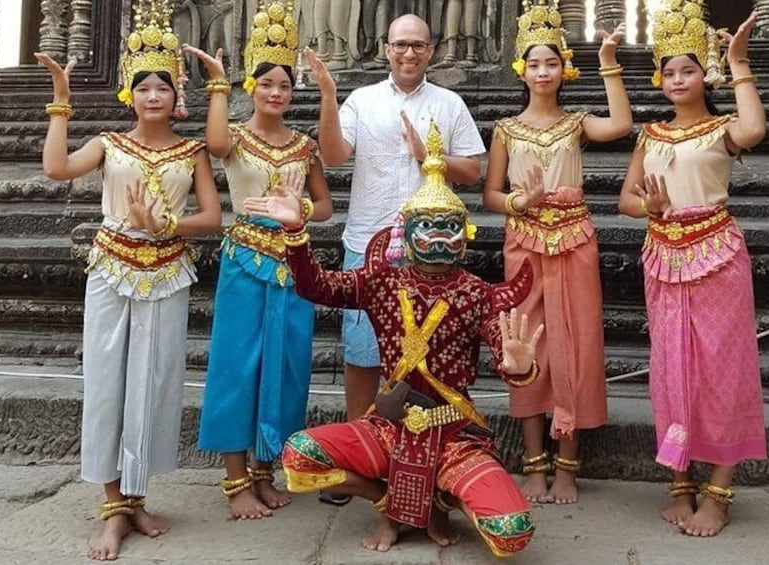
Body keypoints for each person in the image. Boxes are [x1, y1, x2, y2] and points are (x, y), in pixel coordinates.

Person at [245, 121, 542, 557]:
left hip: (454, 435)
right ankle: (390, 505)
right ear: (406, 232)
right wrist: (296, 234)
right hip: (388, 427)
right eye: (428, 226)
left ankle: (438, 503)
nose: (440, 237)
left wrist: (519, 368)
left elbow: (505, 352)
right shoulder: (383, 281)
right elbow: (317, 287)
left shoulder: (477, 293)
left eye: (450, 227)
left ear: (465, 236)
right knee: (299, 455)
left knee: (512, 529)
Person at [36, 0, 221, 560]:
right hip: (112, 269)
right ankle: (112, 508)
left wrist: (167, 222)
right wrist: (61, 105)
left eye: (162, 88)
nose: (153, 97)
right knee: (109, 385)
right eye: (143, 88)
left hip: (167, 270)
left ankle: (137, 499)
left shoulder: (192, 152)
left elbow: (211, 218)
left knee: (154, 385)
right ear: (129, 93)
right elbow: (56, 169)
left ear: (174, 94)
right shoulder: (110, 145)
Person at [618, 1, 767, 537]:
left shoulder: (722, 128)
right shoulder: (651, 135)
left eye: (688, 70)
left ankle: (719, 492)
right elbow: (627, 200)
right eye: (669, 72)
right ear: (659, 79)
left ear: (706, 75)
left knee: (724, 369)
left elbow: (753, 129)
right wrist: (651, 208)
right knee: (671, 367)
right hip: (663, 255)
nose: (677, 79)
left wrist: (739, 62)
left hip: (717, 257)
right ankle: (679, 481)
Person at [183, 0, 333, 521]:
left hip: (293, 261)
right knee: (238, 365)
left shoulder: (303, 145)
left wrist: (300, 209)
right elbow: (215, 139)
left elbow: (327, 206)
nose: (275, 92)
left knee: (287, 365)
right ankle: (235, 479)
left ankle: (267, 470)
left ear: (293, 92)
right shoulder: (236, 139)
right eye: (266, 83)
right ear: (253, 87)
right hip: (246, 261)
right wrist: (219, 84)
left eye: (284, 85)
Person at [306, 12, 486, 444]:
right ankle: (358, 448)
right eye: (401, 44)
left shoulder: (448, 104)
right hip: (370, 242)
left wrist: (429, 157)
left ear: (432, 51)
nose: (409, 53)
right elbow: (332, 156)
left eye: (418, 45)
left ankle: (417, 454)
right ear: (386, 48)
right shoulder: (362, 101)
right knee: (364, 353)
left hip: (432, 251)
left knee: (428, 356)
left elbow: (473, 171)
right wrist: (329, 95)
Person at [483, 0, 631, 504]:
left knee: (575, 342)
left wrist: (609, 61)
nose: (543, 71)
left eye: (552, 62)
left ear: (564, 67)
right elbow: (490, 195)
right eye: (534, 62)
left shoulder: (577, 124)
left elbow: (621, 126)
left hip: (574, 241)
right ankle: (533, 463)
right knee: (524, 342)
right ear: (521, 70)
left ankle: (568, 464)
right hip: (524, 240)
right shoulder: (506, 128)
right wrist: (520, 200)